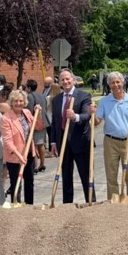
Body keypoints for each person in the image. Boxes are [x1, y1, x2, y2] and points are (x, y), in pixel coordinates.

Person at [94, 71, 128, 200]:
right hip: (111, 142)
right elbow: (97, 121)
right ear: (109, 85)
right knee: (111, 174)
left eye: (118, 82)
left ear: (122, 83)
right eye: (112, 82)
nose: (115, 85)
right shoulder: (104, 101)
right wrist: (92, 115)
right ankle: (113, 202)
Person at [50, 69, 94, 204]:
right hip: (63, 142)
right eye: (62, 80)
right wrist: (52, 142)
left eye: (68, 79)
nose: (65, 82)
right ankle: (67, 205)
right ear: (60, 82)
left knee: (85, 174)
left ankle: (90, 202)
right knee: (66, 176)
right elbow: (54, 122)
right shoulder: (56, 99)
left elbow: (87, 116)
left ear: (73, 80)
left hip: (80, 141)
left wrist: (75, 116)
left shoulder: (83, 96)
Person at [0, 89, 43, 205]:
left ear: (24, 102)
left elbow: (38, 127)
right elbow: (7, 141)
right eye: (15, 101)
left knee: (29, 181)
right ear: (11, 102)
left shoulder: (27, 113)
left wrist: (37, 114)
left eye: (21, 101)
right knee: (16, 183)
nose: (18, 103)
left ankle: (29, 205)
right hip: (14, 156)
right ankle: (16, 204)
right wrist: (19, 156)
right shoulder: (6, 118)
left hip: (28, 153)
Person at [25, 79, 49, 173]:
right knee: (41, 144)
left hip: (35, 122)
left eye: (26, 87)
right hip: (44, 121)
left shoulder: (30, 97)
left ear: (29, 87)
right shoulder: (42, 95)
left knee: (33, 144)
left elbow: (29, 110)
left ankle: (34, 166)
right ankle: (42, 164)